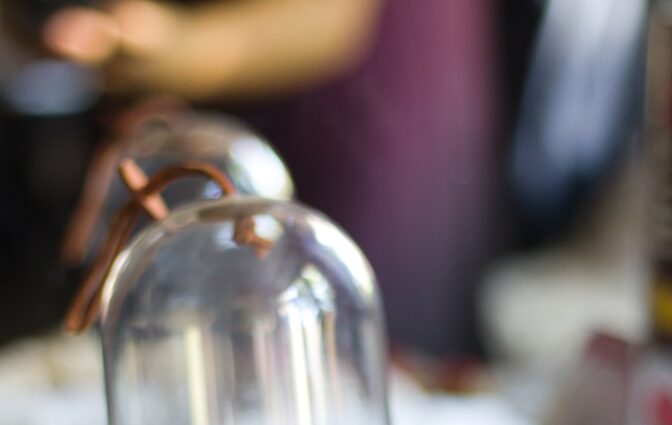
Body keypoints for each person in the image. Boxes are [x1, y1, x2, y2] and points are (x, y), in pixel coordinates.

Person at [39, 0, 501, 364]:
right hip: (193, 103)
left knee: (344, 334)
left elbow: (325, 18)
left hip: (348, 107)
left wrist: (182, 47)